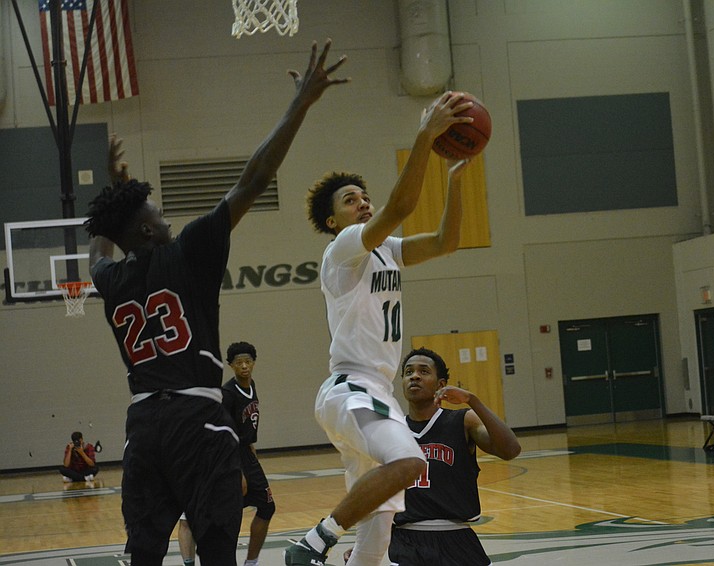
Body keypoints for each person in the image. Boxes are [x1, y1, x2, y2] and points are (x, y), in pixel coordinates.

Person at [85, 40, 348, 566]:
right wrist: (300, 103)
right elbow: (255, 178)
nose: (165, 218)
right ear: (147, 230)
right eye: (156, 213)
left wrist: (118, 195)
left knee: (144, 555)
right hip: (196, 423)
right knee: (217, 554)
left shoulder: (108, 278)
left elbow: (99, 246)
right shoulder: (188, 252)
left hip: (142, 428)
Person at [286, 91, 476, 566]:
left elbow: (446, 242)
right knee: (410, 462)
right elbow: (401, 206)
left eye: (364, 196)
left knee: (376, 540)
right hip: (351, 388)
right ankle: (314, 542)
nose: (363, 203)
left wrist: (455, 181)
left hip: (374, 393)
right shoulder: (344, 247)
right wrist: (425, 135)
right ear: (333, 220)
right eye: (351, 200)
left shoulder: (387, 249)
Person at [388, 347, 521, 565]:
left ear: (440, 385)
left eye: (424, 371)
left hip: (456, 539)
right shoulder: (392, 430)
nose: (414, 376)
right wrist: (366, 543)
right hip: (406, 542)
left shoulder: (463, 421)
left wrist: (472, 400)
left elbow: (510, 450)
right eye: (408, 372)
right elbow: (381, 496)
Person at [178, 342, 275, 566]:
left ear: (254, 363)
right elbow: (223, 436)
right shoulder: (227, 394)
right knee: (221, 516)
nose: (244, 366)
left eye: (248, 361)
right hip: (226, 458)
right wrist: (237, 470)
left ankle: (251, 562)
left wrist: (251, 449)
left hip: (245, 455)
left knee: (267, 506)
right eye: (239, 362)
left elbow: (245, 426)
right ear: (230, 365)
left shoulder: (251, 386)